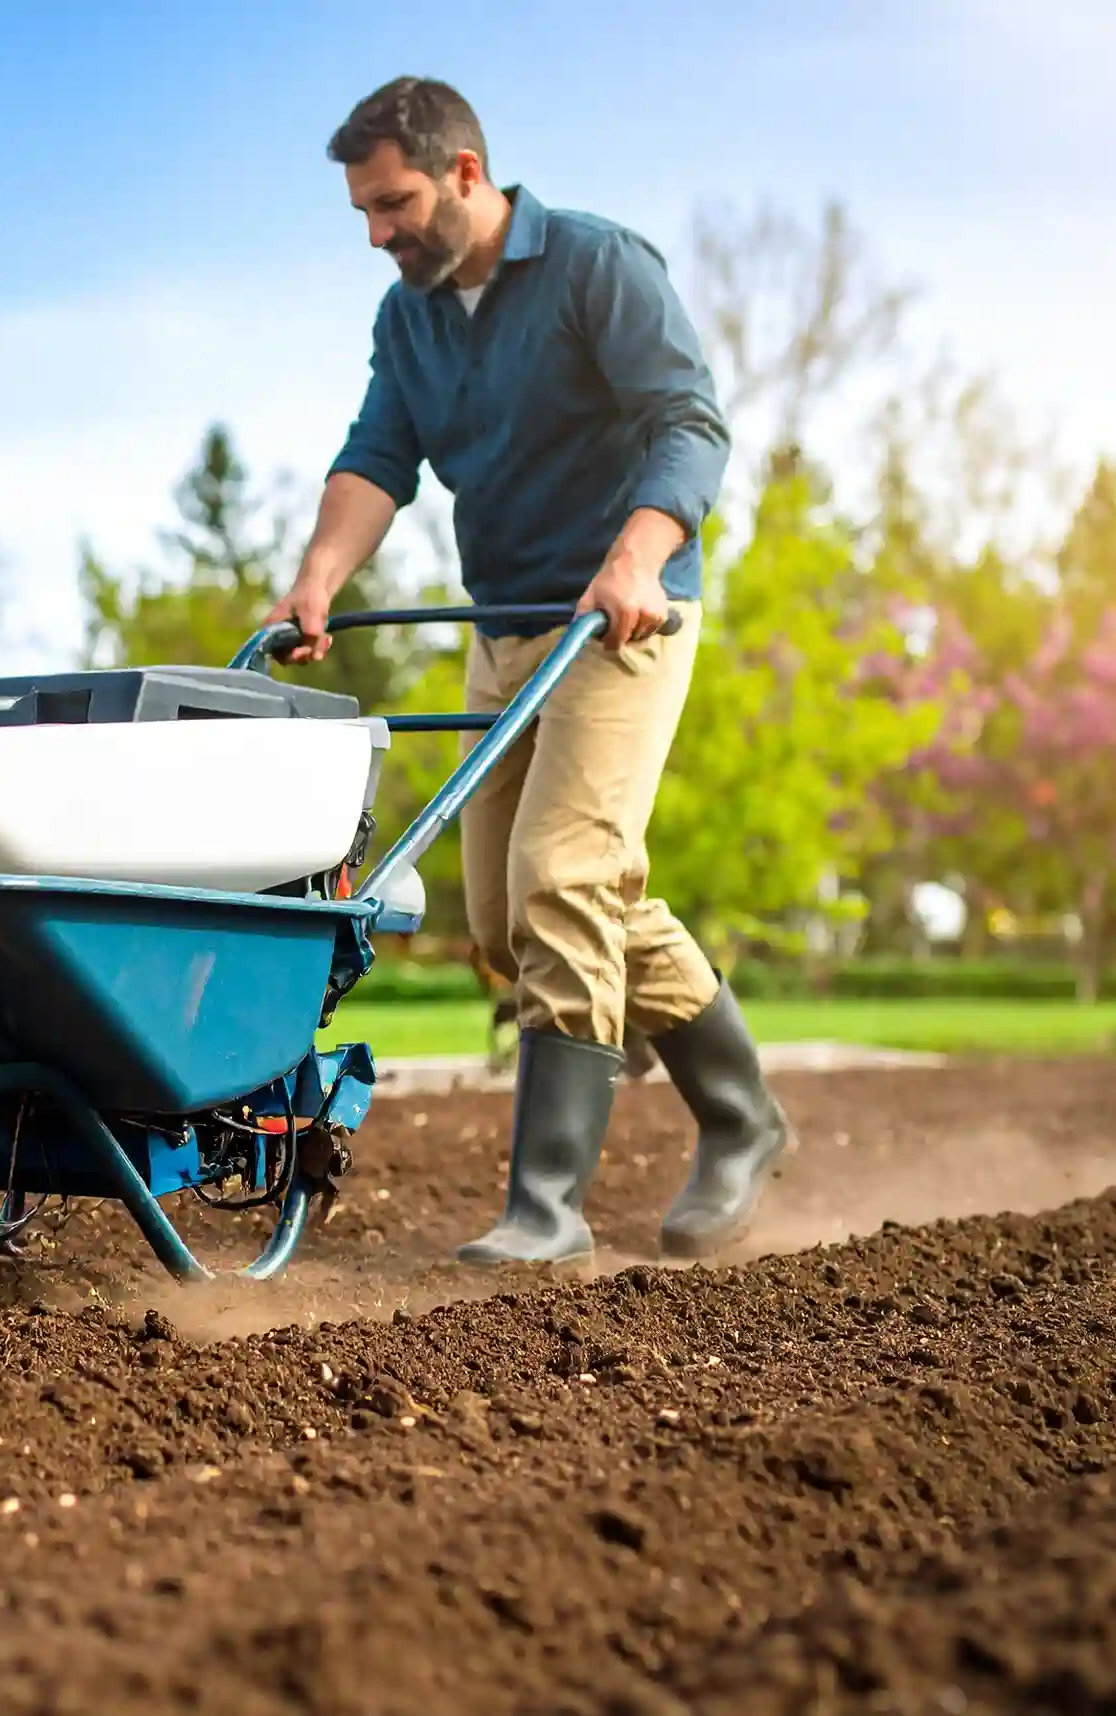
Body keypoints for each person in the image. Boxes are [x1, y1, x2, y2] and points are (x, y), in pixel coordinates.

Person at [266, 77, 794, 1268]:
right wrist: (316, 581)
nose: (375, 233)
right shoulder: (406, 320)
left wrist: (636, 557)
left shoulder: (595, 267)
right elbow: (374, 459)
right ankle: (742, 1114)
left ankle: (543, 1211)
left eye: (392, 203)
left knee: (564, 875)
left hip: (619, 618)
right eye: (359, 211)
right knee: (515, 916)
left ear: (463, 173)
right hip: (505, 627)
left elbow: (686, 423)